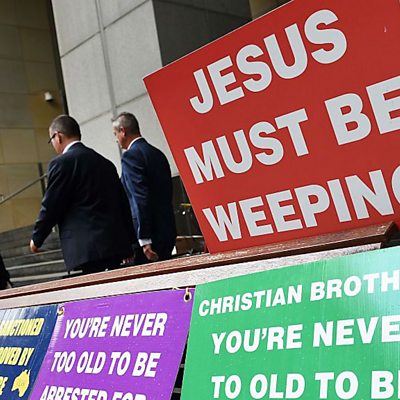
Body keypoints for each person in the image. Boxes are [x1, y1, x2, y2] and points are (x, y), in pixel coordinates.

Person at [30, 115, 135, 274]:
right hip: (114, 246)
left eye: (51, 140)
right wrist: (130, 242)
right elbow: (123, 204)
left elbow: (51, 205)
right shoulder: (105, 163)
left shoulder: (61, 163)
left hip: (86, 251)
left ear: (58, 136)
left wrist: (37, 239)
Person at [112, 112, 176, 264]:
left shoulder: (130, 156)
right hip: (167, 231)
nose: (116, 139)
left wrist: (144, 238)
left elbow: (140, 197)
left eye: (115, 134)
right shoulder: (158, 154)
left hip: (149, 238)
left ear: (123, 131)